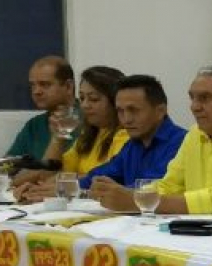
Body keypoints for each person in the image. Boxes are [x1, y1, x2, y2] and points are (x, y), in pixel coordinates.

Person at [92, 66, 212, 219]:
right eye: (192, 98)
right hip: (205, 234)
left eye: (205, 98)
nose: (194, 107)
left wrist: (135, 201)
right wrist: (126, 195)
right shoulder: (195, 134)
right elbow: (169, 185)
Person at [14, 66, 129, 203]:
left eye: (93, 99)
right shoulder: (88, 136)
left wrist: (62, 185)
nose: (85, 105)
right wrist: (58, 138)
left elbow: (105, 181)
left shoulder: (124, 136)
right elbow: (52, 173)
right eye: (82, 98)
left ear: (116, 102)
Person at [84, 75, 188, 207]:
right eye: (120, 111)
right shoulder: (132, 145)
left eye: (133, 110)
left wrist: (118, 194)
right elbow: (100, 176)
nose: (126, 119)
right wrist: (72, 185)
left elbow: (155, 186)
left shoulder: (182, 142)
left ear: (160, 111)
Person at [7, 55, 76, 161]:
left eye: (45, 84)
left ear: (68, 86)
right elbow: (8, 164)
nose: (36, 91)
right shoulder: (34, 125)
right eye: (33, 85)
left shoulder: (91, 120)